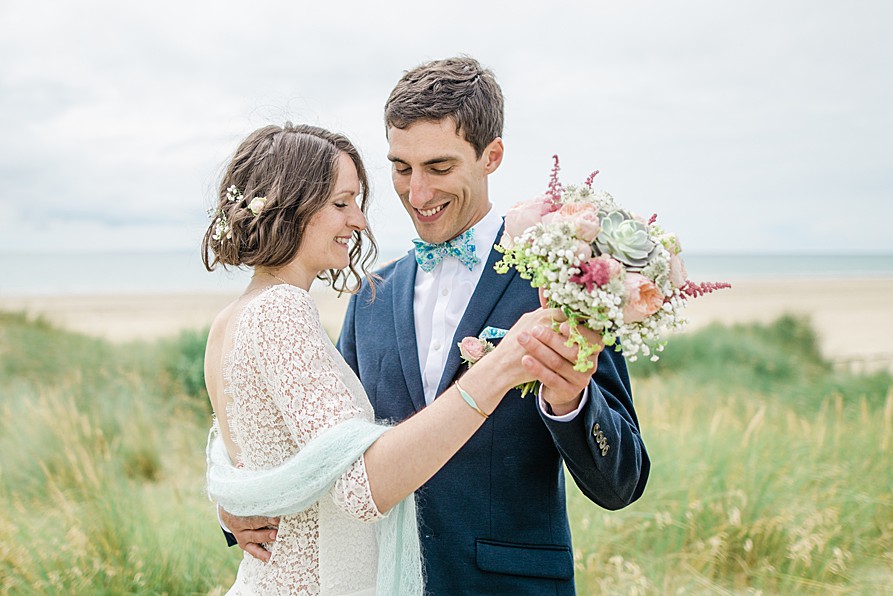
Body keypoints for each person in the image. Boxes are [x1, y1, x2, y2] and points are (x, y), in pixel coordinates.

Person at [224, 57, 651, 594]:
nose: (417, 194)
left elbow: (624, 481)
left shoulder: (560, 277)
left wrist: (571, 403)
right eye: (402, 168)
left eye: (439, 168)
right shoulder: (371, 296)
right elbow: (323, 449)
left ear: (491, 156)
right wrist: (238, 506)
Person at [202, 122, 572, 595]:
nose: (359, 220)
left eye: (357, 202)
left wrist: (235, 500)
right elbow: (356, 485)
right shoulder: (282, 310)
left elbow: (273, 451)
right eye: (341, 203)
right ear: (289, 205)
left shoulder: (229, 320)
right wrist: (498, 369)